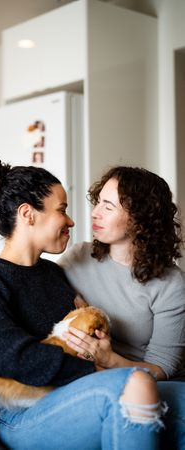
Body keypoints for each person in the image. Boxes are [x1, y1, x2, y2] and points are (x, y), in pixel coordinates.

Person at [0, 159, 176, 450]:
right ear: (27, 214)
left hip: (72, 395)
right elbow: (6, 357)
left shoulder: (56, 274)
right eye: (62, 210)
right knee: (138, 384)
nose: (72, 220)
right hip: (22, 411)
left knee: (151, 391)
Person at [59, 165, 185, 448]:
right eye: (98, 202)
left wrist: (109, 360)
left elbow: (163, 366)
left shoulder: (171, 283)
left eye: (108, 206)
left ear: (139, 220)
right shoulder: (77, 258)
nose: (94, 213)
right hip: (92, 380)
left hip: (153, 381)